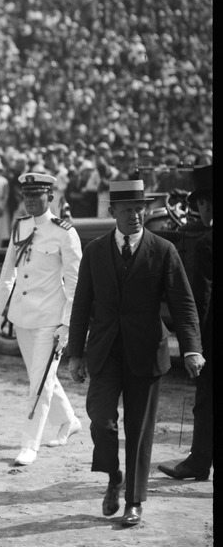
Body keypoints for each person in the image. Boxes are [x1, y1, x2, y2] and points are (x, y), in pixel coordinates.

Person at [68, 179, 204, 527]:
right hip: (105, 352)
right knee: (100, 418)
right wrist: (76, 354)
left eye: (140, 209)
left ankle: (134, 502)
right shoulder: (95, 250)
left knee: (139, 430)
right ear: (112, 212)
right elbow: (82, 304)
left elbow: (183, 304)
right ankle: (114, 475)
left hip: (146, 352)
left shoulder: (163, 250)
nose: (135, 215)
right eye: (127, 210)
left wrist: (191, 349)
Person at [0, 173, 84, 466]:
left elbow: (75, 283)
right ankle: (69, 420)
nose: (31, 201)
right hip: (22, 316)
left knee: (39, 383)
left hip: (50, 319)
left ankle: (29, 444)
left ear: (51, 198)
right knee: (39, 377)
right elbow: (8, 273)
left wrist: (68, 324)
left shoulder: (64, 232)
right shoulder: (20, 226)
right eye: (27, 196)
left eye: (37, 196)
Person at [159, 162, 213, 481]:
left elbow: (200, 301)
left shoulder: (206, 243)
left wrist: (195, 346)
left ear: (206, 202)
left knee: (205, 400)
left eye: (199, 204)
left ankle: (198, 461)